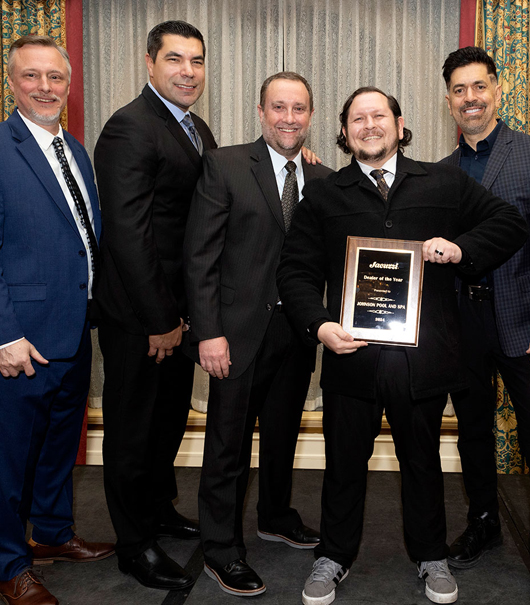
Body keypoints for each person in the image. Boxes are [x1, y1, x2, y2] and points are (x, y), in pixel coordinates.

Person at [278, 86, 528, 605]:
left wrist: (461, 249)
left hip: (425, 358)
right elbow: (295, 272)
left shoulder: (443, 181)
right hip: (351, 357)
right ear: (344, 131)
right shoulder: (324, 194)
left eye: (379, 116)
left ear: (400, 121)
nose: (369, 126)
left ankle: (430, 555)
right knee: (344, 462)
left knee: (423, 461)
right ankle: (334, 555)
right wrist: (320, 326)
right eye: (358, 119)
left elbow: (508, 224)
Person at [0, 35, 113, 605]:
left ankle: (52, 534)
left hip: (73, 329)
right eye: (31, 76)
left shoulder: (76, 150)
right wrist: (3, 335)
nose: (45, 87)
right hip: (19, 338)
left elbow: (80, 243)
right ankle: (9, 563)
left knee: (59, 445)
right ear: (11, 82)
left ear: (68, 85)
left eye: (55, 77)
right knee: (13, 456)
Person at [440, 47, 530, 605]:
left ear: (497, 89)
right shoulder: (442, 172)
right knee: (472, 433)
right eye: (459, 90)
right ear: (448, 98)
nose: (470, 98)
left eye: (479, 87)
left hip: (528, 326)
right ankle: (483, 521)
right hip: (464, 328)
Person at [183, 71, 331, 597]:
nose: (288, 118)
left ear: (311, 116)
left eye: (298, 109)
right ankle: (222, 550)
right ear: (261, 112)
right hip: (235, 334)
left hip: (296, 334)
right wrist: (208, 332)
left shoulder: (322, 178)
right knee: (227, 444)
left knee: (283, 433)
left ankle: (275, 514)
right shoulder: (223, 165)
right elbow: (199, 256)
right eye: (278, 108)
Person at [93, 20, 217, 590]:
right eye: (175, 59)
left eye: (196, 60)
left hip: (179, 313)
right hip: (141, 317)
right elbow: (128, 235)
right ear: (149, 63)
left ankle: (159, 509)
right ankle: (134, 544)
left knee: (167, 420)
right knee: (131, 430)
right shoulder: (129, 129)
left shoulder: (197, 130)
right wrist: (161, 320)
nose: (187, 71)